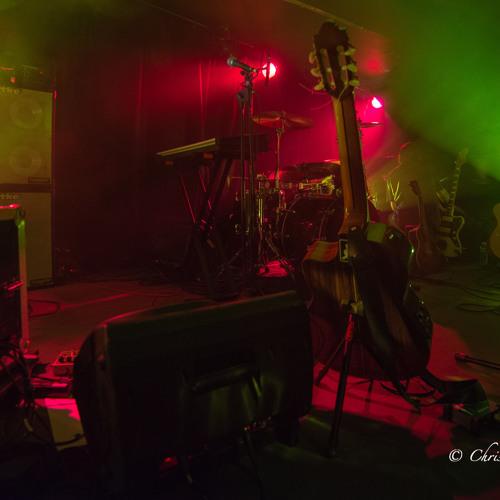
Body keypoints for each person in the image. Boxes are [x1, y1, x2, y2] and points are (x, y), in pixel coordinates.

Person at [384, 140, 447, 235]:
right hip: (430, 215)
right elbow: (442, 195)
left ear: (401, 156)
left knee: (391, 219)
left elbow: (393, 206)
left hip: (405, 216)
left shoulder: (391, 175)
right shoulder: (428, 169)